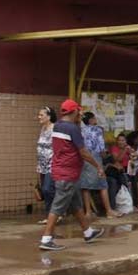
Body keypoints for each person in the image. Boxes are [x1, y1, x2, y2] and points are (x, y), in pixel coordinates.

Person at [39, 100, 104, 251]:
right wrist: (98, 166)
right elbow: (83, 152)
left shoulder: (58, 126)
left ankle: (88, 232)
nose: (81, 114)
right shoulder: (72, 128)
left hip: (63, 171)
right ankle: (47, 238)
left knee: (75, 204)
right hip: (67, 174)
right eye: (79, 111)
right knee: (58, 206)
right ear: (74, 111)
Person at [79, 112, 120, 218]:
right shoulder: (98, 130)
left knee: (85, 186)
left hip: (83, 158)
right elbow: (101, 148)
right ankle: (109, 211)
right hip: (95, 157)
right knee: (103, 184)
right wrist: (105, 158)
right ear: (91, 120)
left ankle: (88, 212)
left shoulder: (80, 130)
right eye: (94, 118)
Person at [36, 106, 57, 225]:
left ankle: (56, 212)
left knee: (48, 189)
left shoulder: (54, 129)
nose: (39, 117)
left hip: (51, 163)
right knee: (45, 191)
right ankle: (49, 215)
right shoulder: (43, 128)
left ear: (49, 116)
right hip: (42, 164)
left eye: (41, 115)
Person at [106, 133, 133, 211]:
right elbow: (118, 160)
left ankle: (131, 204)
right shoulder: (114, 148)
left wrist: (131, 153)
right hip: (115, 172)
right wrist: (124, 150)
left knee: (135, 180)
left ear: (126, 141)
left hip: (127, 170)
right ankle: (113, 207)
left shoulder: (128, 148)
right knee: (115, 182)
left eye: (123, 140)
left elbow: (133, 157)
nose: (121, 142)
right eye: (119, 140)